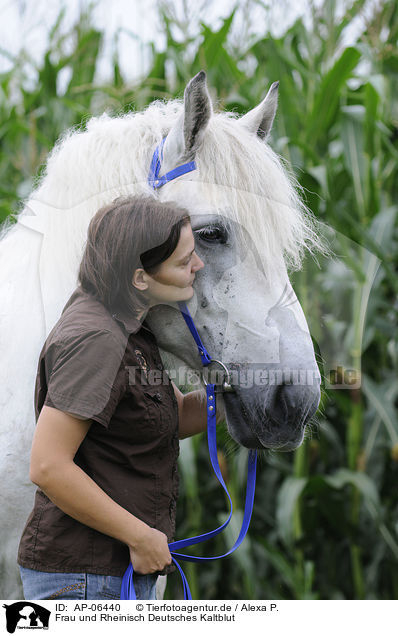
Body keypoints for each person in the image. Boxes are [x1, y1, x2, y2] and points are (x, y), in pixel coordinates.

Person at [17, 194, 223, 600]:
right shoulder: (97, 338)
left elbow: (172, 416)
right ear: (140, 278)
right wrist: (140, 536)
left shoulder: (130, 324)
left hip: (110, 574)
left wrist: (234, 392)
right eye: (184, 262)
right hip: (84, 582)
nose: (198, 266)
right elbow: (47, 465)